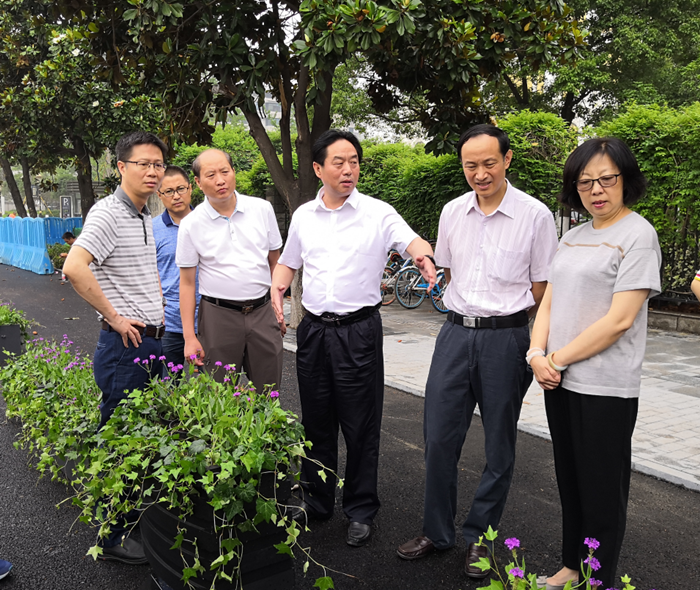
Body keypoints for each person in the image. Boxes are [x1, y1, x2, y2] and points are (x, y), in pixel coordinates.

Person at [397, 124, 559, 577]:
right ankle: (436, 531)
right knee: (438, 437)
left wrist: (520, 331)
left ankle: (479, 538)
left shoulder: (535, 215)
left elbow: (542, 286)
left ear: (507, 159)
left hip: (506, 339)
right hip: (454, 334)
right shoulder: (452, 211)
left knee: (498, 444)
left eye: (489, 163)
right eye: (471, 165)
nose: (480, 173)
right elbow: (449, 270)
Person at [271, 129, 436, 548]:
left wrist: (423, 256)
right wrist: (275, 289)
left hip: (358, 331)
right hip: (313, 332)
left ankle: (360, 509)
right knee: (316, 421)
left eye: (354, 161)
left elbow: (412, 241)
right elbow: (288, 263)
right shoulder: (304, 216)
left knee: (361, 425)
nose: (348, 169)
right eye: (339, 162)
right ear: (318, 168)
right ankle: (317, 500)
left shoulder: (378, 213)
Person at [528, 137, 661, 590]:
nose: (596, 189)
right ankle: (573, 566)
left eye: (607, 179)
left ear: (626, 179)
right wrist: (535, 354)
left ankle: (597, 578)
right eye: (585, 182)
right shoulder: (572, 236)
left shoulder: (638, 235)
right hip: (559, 379)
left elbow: (620, 320)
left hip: (606, 386)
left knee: (602, 488)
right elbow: (549, 302)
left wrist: (556, 358)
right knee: (570, 480)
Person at [63, 130, 168, 565]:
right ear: (122, 167)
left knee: (140, 434)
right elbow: (74, 267)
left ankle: (130, 519)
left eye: (158, 164)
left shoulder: (144, 213)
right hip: (128, 345)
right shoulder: (108, 213)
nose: (152, 171)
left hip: (150, 343)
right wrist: (115, 316)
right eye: (143, 163)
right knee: (122, 437)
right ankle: (111, 536)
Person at [176, 149, 284, 392]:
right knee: (218, 395)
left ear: (234, 172)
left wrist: (278, 307)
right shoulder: (191, 224)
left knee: (269, 391)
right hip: (218, 315)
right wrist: (189, 337)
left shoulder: (262, 209)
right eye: (211, 175)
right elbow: (187, 283)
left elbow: (275, 263)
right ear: (198, 183)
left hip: (262, 311)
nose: (220, 180)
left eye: (225, 171)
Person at [152, 165, 200, 371]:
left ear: (190, 188)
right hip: (169, 323)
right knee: (167, 384)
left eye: (181, 189)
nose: (176, 196)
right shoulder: (151, 230)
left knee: (216, 384)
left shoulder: (209, 223)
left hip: (209, 321)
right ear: (159, 195)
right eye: (169, 191)